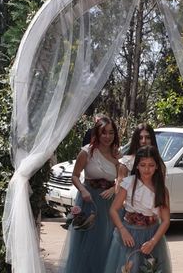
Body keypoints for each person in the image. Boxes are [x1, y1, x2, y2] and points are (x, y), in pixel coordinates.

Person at [59, 116, 120, 273]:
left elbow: (122, 178)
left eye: (111, 133)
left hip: (110, 204)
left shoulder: (116, 155)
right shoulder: (86, 152)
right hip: (89, 201)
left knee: (107, 242)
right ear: (97, 134)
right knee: (86, 244)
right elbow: (75, 175)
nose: (107, 137)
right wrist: (83, 190)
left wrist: (114, 188)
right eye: (104, 133)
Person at [104, 145, 172, 273]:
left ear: (157, 166)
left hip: (152, 236)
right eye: (143, 165)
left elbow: (166, 220)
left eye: (151, 165)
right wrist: (122, 230)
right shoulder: (129, 183)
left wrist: (153, 242)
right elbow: (113, 209)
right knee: (128, 268)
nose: (147, 169)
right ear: (137, 166)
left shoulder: (162, 190)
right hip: (129, 234)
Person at [117, 123, 159, 188]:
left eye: (147, 138)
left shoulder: (159, 162)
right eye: (140, 138)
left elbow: (161, 189)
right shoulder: (125, 162)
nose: (144, 141)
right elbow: (119, 190)